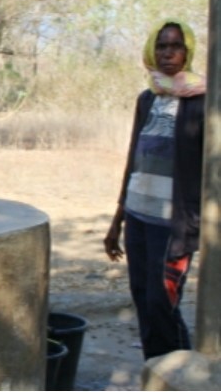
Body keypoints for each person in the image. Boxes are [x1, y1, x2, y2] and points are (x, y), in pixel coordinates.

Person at [103, 19, 206, 360]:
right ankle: (155, 371)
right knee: (143, 299)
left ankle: (182, 374)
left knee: (162, 301)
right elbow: (134, 159)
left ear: (187, 52)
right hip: (138, 215)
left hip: (174, 222)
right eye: (161, 46)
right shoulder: (148, 99)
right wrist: (117, 221)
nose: (167, 53)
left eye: (176, 46)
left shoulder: (203, 101)